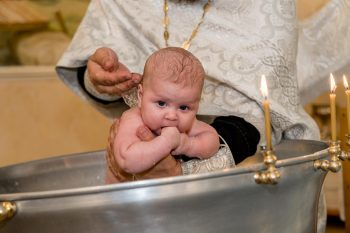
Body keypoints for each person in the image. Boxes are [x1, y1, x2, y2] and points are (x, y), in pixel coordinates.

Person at [55, 1, 350, 231]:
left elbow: (261, 104)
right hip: (141, 198)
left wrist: (183, 163)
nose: (171, 115)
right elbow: (97, 73)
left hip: (251, 189)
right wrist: (100, 80)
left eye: (183, 108)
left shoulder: (266, 5)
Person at [107, 47, 222, 182]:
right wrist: (165, 143)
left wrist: (188, 145)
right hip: (125, 192)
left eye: (184, 107)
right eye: (161, 103)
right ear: (140, 96)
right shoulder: (133, 119)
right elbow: (126, 160)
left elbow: (213, 141)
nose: (172, 116)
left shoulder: (189, 125)